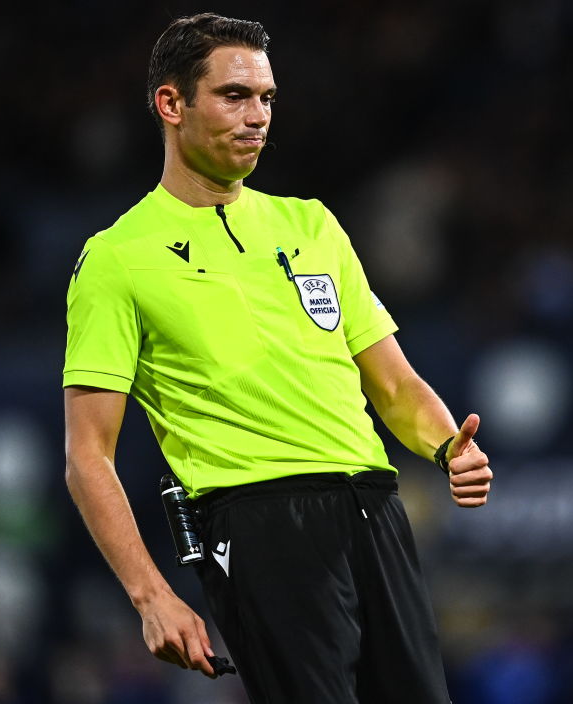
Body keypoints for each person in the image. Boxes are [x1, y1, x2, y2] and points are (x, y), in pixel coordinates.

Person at [63, 13, 492, 703]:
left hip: (375, 511)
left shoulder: (312, 223)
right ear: (171, 104)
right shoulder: (116, 260)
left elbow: (394, 382)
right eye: (234, 95)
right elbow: (89, 455)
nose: (257, 114)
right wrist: (151, 597)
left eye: (265, 98)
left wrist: (448, 448)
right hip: (260, 524)